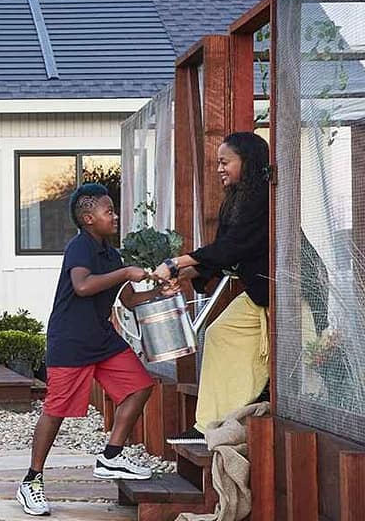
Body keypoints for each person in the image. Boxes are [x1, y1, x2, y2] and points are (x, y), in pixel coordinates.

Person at [17, 183, 179, 517]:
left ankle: (111, 456)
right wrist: (125, 272)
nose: (115, 215)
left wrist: (157, 294)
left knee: (139, 387)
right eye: (109, 211)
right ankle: (31, 480)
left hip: (102, 340)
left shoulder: (110, 253)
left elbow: (128, 299)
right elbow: (83, 286)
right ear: (89, 218)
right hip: (70, 341)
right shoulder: (80, 248)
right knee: (56, 411)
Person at [151, 132, 270, 444]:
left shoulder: (263, 200)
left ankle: (255, 399)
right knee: (216, 334)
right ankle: (209, 424)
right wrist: (187, 273)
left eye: (225, 162)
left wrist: (176, 263)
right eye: (218, 162)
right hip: (262, 294)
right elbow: (222, 253)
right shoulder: (237, 202)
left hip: (290, 296)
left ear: (247, 161)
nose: (220, 169)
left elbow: (232, 248)